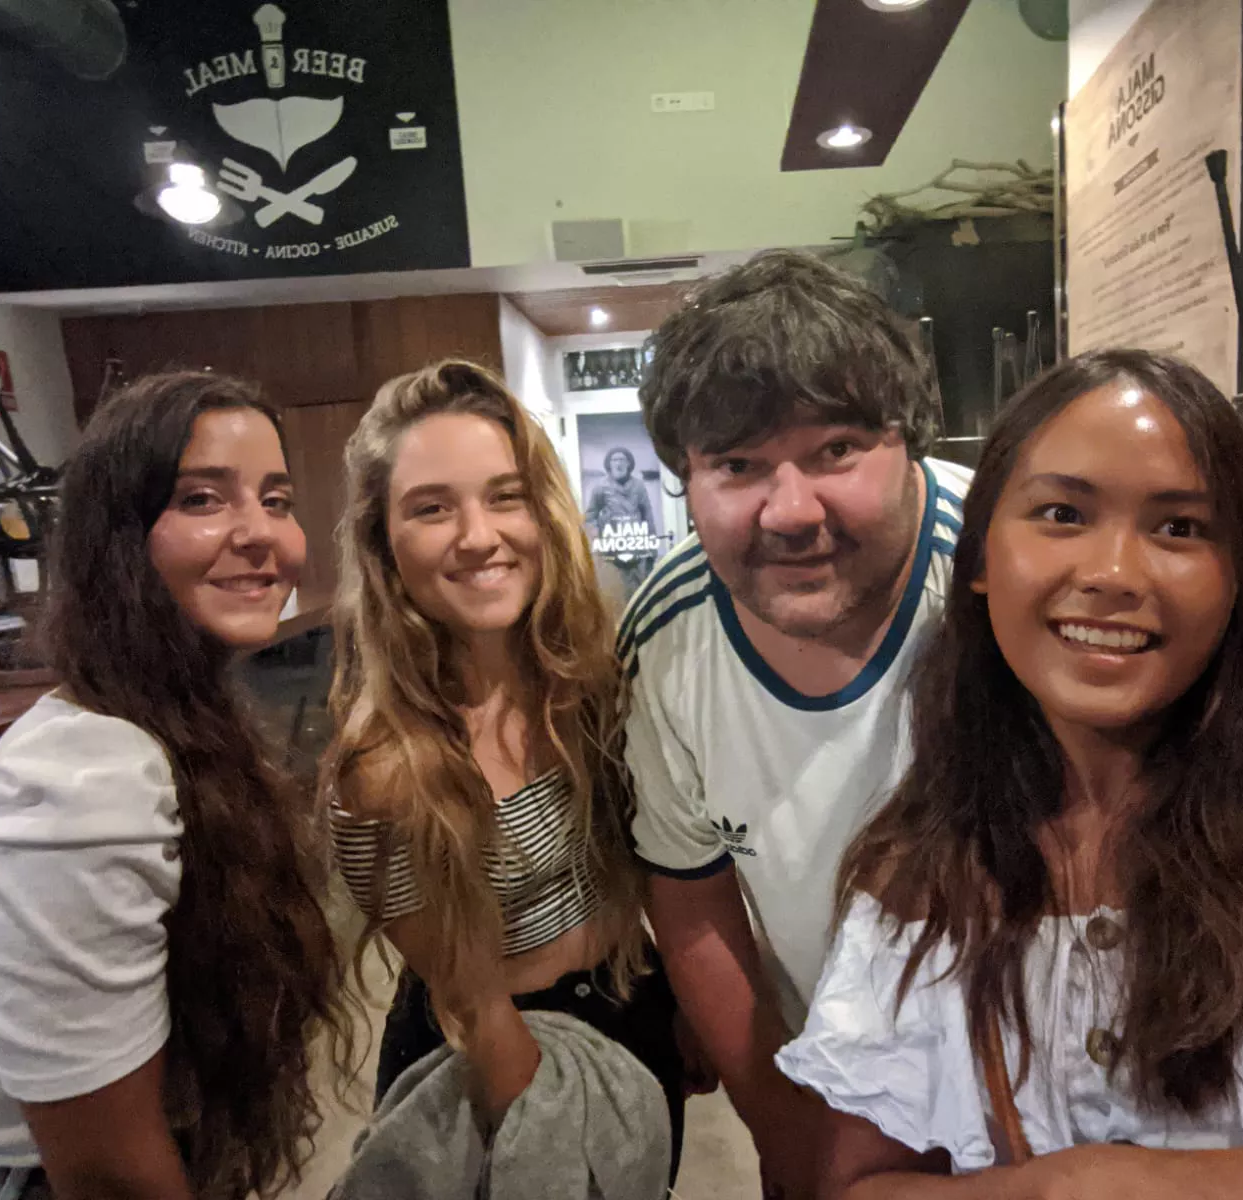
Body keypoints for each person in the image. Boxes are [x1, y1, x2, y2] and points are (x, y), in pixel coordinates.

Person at [776, 349, 1243, 1198]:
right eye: (1062, 513)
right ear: (982, 555)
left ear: (1239, 576)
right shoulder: (927, 872)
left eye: (1180, 528)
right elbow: (863, 1185)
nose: (1112, 574)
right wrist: (1070, 1187)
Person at [0, 372, 354, 1200]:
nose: (260, 533)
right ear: (116, 537)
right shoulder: (80, 784)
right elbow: (107, 1175)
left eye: (276, 500)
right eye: (202, 499)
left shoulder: (169, 722)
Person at [620, 249, 971, 1197]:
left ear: (911, 442)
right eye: (736, 464)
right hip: (827, 1072)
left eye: (836, 451)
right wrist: (783, 1130)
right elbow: (689, 892)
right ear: (685, 479)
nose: (790, 511)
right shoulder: (667, 640)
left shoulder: (999, 569)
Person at [320, 360, 684, 1181]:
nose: (479, 535)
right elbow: (475, 1008)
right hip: (494, 1055)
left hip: (633, 995)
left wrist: (677, 1004)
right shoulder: (384, 766)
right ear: (383, 543)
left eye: (505, 496)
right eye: (432, 508)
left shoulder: (588, 678)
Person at [585, 446, 661, 598]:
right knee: (617, 592)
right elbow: (590, 516)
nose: (618, 463)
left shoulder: (638, 486)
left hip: (636, 547)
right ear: (609, 464)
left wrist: (652, 547)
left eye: (622, 459)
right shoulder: (601, 487)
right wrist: (597, 537)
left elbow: (647, 515)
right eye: (615, 460)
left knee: (641, 592)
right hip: (612, 550)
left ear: (628, 463)